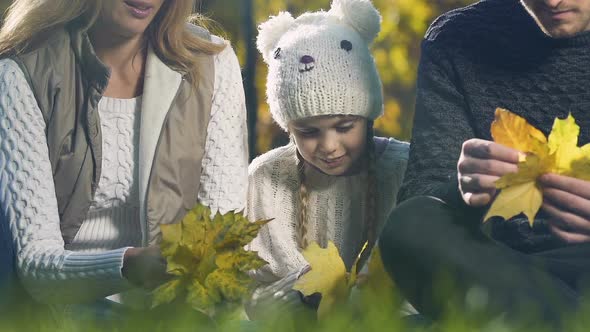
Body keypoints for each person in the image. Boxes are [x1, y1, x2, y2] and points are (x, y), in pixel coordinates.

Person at [0, 0, 247, 325]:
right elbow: (37, 266)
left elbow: (221, 236)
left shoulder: (212, 64)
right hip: (62, 317)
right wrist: (131, 266)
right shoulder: (20, 73)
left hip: (181, 314)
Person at [379, 0, 590, 327]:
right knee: (408, 224)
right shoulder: (457, 39)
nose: (552, 1)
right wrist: (463, 188)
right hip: (501, 274)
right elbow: (424, 200)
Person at [245, 0, 409, 320]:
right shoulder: (265, 179)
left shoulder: (405, 169)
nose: (329, 146)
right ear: (288, 127)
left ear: (368, 116)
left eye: (345, 127)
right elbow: (245, 289)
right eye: (308, 132)